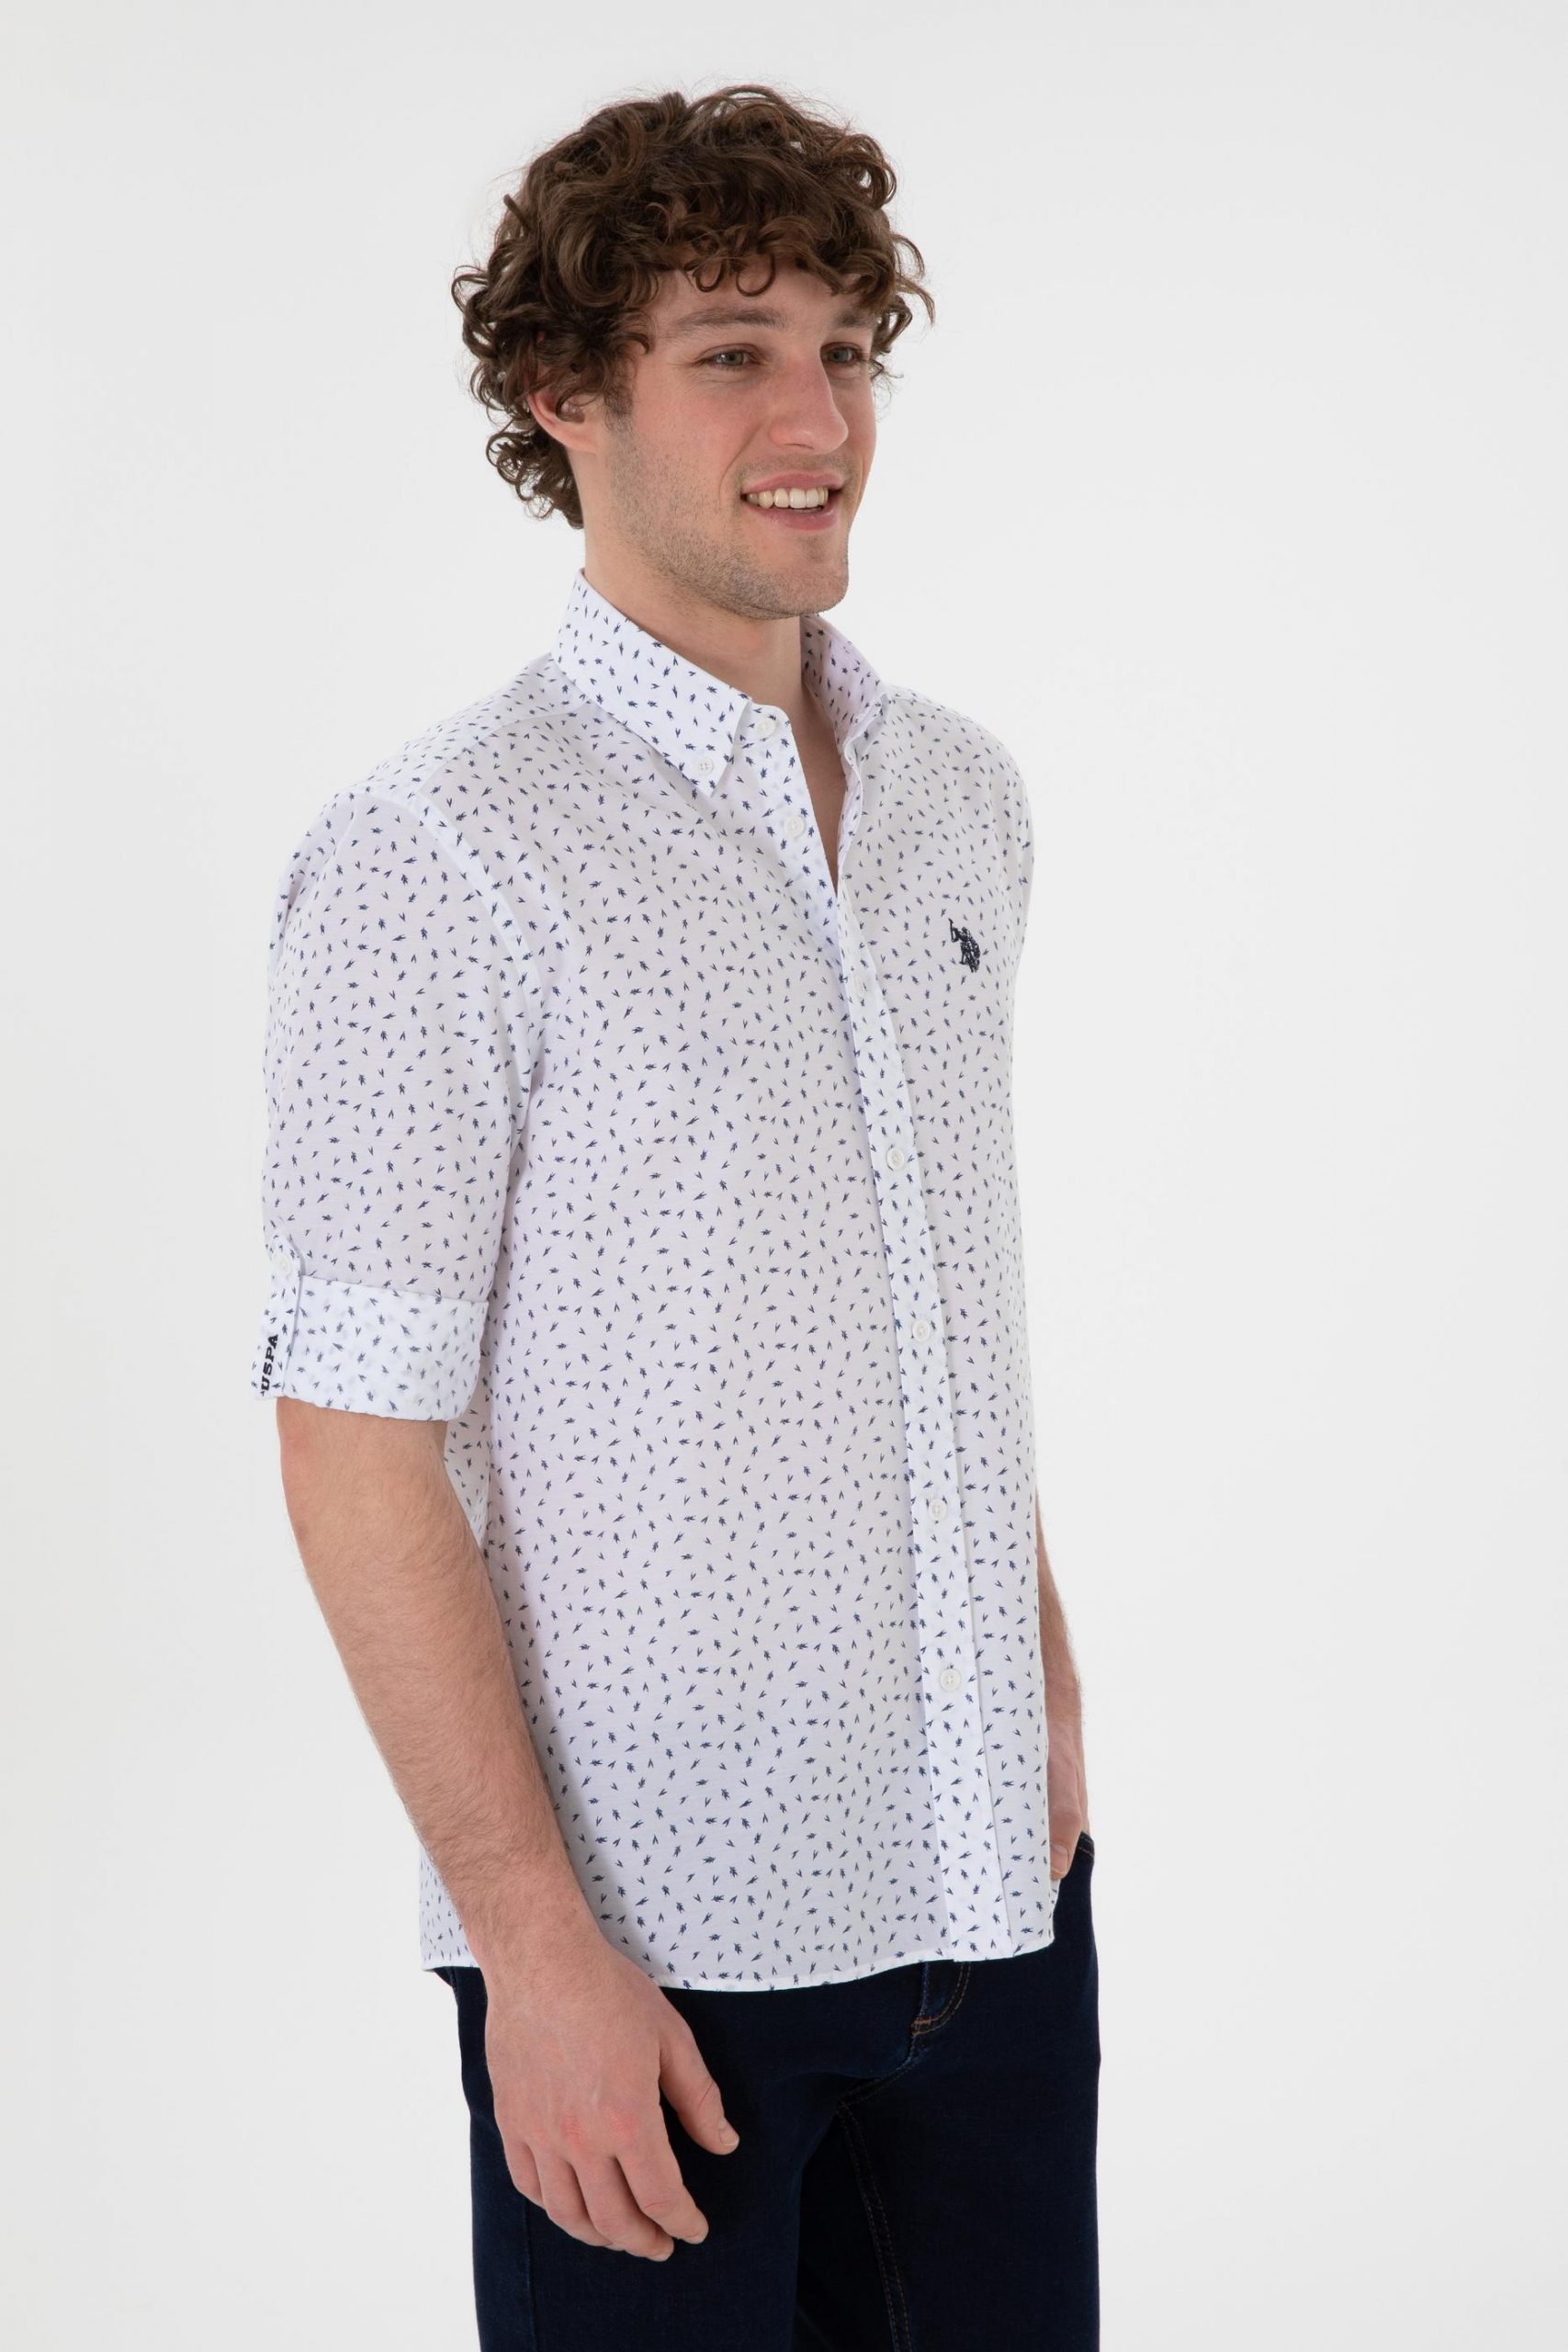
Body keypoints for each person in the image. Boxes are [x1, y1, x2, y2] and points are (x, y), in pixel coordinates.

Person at [249, 79, 1100, 2351]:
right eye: (732, 351)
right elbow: (350, 1439)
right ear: (565, 395)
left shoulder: (959, 799)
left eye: (845, 348)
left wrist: (1041, 1681)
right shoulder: (438, 856)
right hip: (652, 1950)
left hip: (991, 1901)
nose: (815, 418)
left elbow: (934, 1285)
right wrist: (531, 1943)